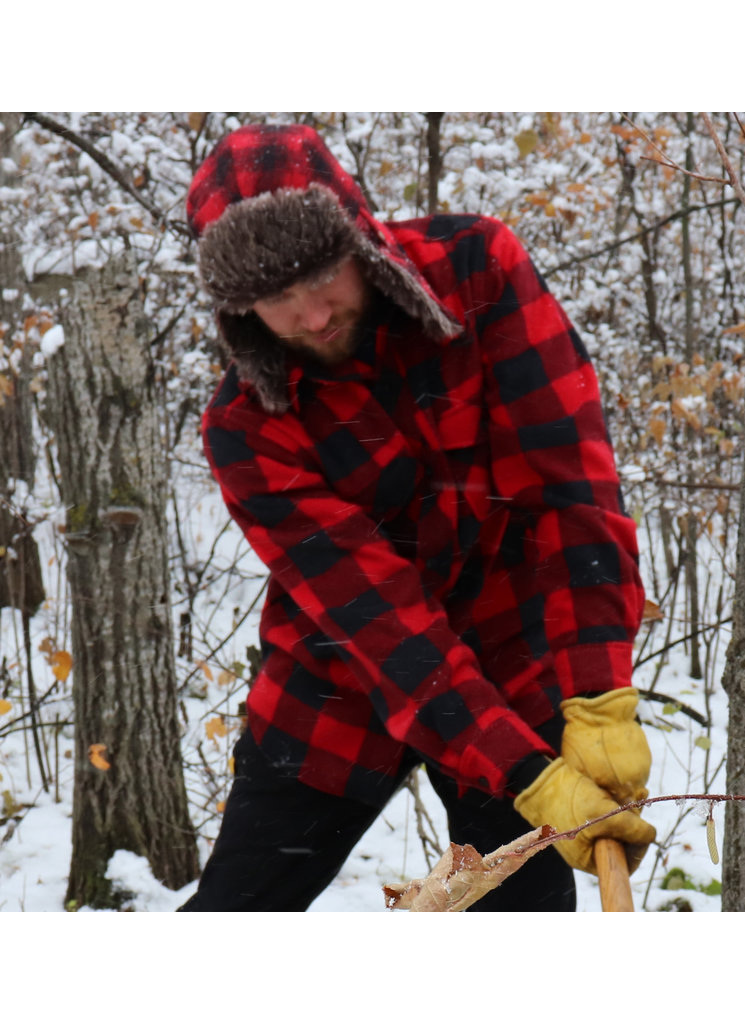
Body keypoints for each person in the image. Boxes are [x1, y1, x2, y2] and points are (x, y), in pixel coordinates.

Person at [178, 122, 656, 912]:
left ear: (358, 241)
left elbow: (573, 490)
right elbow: (380, 622)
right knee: (239, 913)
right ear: (240, 308)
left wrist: (598, 692)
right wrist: (526, 773)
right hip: (341, 682)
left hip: (510, 663)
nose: (311, 314)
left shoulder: (478, 271)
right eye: (274, 297)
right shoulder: (245, 425)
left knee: (522, 927)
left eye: (323, 273)